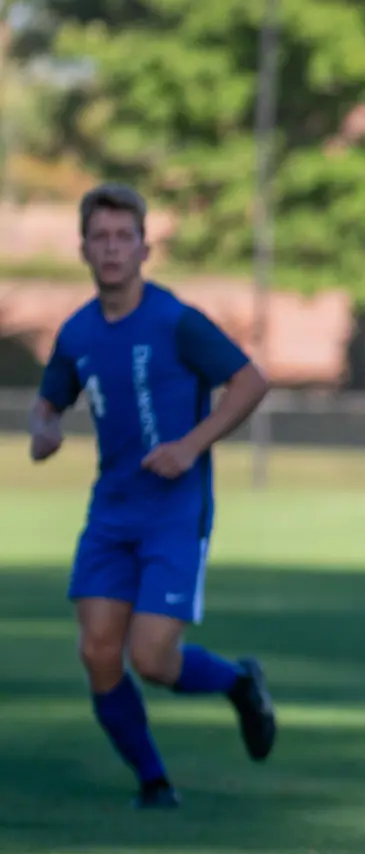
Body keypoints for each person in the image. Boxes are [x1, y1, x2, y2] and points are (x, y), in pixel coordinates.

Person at [29, 184, 278, 809]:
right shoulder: (77, 332)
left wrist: (192, 445)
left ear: (145, 247)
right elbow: (50, 396)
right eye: (100, 237)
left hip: (174, 513)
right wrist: (45, 425)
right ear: (83, 247)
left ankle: (238, 682)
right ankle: (154, 782)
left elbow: (250, 382)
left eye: (124, 237)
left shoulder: (175, 320)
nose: (112, 248)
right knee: (97, 652)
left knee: (153, 659)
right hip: (110, 513)